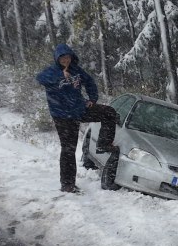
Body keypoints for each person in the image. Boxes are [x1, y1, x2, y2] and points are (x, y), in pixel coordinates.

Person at [37, 43, 119, 194]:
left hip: (79, 110)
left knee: (109, 112)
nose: (65, 60)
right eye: (62, 58)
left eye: (67, 57)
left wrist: (92, 99)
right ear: (57, 59)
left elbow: (90, 83)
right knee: (68, 149)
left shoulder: (76, 70)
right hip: (63, 117)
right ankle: (68, 185)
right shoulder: (51, 71)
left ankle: (103, 144)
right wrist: (60, 76)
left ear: (71, 57)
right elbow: (40, 78)